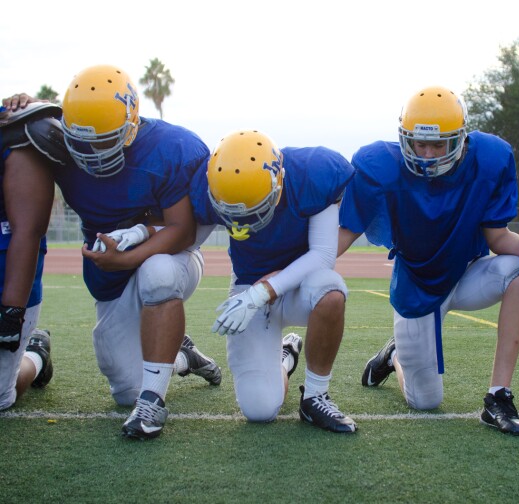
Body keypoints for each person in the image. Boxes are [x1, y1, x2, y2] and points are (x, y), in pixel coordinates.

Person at [4, 64, 222, 440]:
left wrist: (127, 255)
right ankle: (180, 354)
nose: (93, 153)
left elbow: (183, 230)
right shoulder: (54, 142)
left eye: (106, 140)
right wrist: (25, 103)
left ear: (132, 125)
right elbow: (37, 119)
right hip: (110, 270)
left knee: (157, 273)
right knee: (124, 391)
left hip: (172, 254)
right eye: (83, 142)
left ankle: (156, 396)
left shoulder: (172, 148)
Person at [338, 86, 519, 436]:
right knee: (424, 402)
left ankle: (498, 395)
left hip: (468, 272)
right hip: (417, 286)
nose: (427, 154)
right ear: (404, 138)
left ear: (461, 139)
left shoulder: (491, 157)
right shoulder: (379, 164)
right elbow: (346, 232)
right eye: (419, 144)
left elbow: (498, 238)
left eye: (438, 144)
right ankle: (394, 356)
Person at [190, 129, 357, 433]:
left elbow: (322, 257)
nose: (245, 225)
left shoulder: (312, 174)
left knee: (331, 289)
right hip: (248, 284)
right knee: (259, 409)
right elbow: (188, 242)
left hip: (295, 285)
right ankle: (285, 357)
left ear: (278, 183)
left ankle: (316, 396)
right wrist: (140, 233)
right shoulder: (210, 183)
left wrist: (262, 292)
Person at [0, 101, 64, 410]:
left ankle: (36, 353)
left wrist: (11, 313)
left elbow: (27, 230)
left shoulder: (15, 133)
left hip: (7, 287)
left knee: (0, 395)